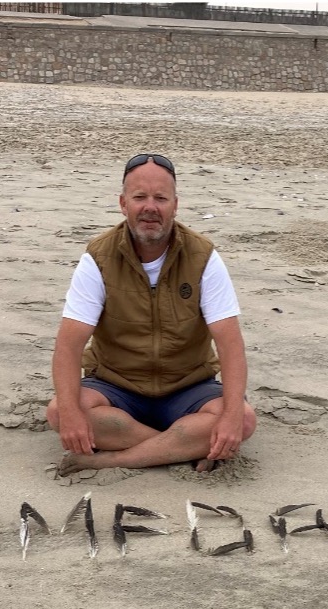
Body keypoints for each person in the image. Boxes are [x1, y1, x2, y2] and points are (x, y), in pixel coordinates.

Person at [46, 153, 257, 475]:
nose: (150, 207)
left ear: (175, 204)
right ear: (123, 203)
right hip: (116, 385)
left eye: (160, 198)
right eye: (140, 197)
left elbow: (230, 345)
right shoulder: (98, 258)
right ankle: (176, 448)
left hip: (189, 386)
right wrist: (72, 416)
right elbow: (68, 346)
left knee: (242, 419)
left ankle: (116, 458)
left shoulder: (203, 257)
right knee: (60, 411)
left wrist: (230, 420)